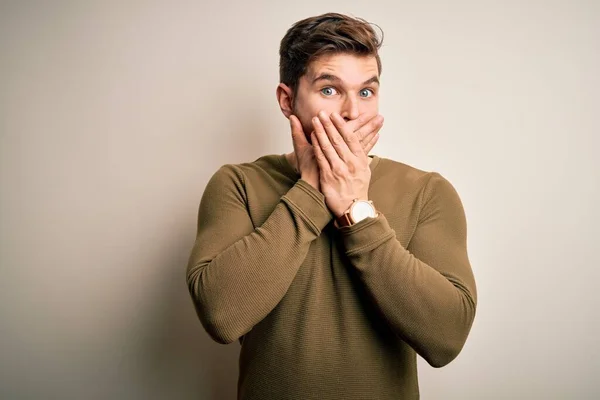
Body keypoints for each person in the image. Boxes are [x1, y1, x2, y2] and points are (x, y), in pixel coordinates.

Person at [186, 12, 477, 400]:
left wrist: (357, 209)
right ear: (287, 100)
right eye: (329, 90)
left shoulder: (427, 191)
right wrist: (311, 191)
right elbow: (221, 316)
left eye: (366, 92)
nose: (352, 112)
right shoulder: (237, 184)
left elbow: (446, 338)